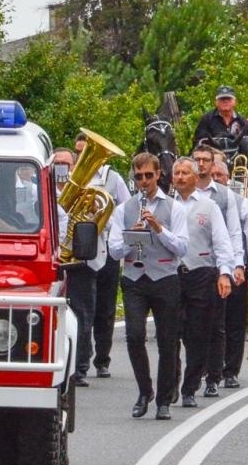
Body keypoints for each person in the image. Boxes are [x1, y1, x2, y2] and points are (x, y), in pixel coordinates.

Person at [108, 152, 189, 420]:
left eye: (149, 176)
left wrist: (158, 229)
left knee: (167, 341)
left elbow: (182, 247)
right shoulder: (124, 209)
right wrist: (133, 235)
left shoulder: (174, 207)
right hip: (134, 279)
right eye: (139, 176)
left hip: (165, 277)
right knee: (134, 335)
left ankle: (164, 399)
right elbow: (114, 251)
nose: (144, 181)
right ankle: (145, 391)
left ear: (158, 175)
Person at [170, 157, 234, 407]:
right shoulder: (165, 206)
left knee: (198, 334)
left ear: (196, 178)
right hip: (172, 274)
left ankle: (190, 386)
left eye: (186, 172)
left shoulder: (209, 206)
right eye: (177, 172)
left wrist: (225, 272)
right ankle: (171, 382)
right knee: (171, 333)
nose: (180, 177)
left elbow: (221, 242)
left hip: (201, 273)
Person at [80, 130, 132, 380]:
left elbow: (127, 208)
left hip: (108, 246)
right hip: (82, 249)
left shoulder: (114, 178)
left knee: (106, 306)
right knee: (82, 305)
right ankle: (82, 355)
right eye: (80, 153)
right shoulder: (73, 179)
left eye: (86, 153)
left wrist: (109, 224)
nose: (83, 157)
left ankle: (102, 358)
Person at [209, 151, 248, 387]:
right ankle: (211, 367)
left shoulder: (240, 196)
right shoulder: (202, 198)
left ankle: (230, 371)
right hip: (210, 267)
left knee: (234, 321)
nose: (217, 178)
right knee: (212, 321)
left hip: (237, 266)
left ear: (228, 176)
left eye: (220, 174)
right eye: (213, 175)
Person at [52, 147, 95, 388]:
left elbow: (105, 221)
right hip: (55, 261)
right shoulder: (42, 190)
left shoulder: (87, 192)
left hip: (79, 259)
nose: (62, 168)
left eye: (67, 164)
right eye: (58, 163)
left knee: (81, 314)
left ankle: (80, 368)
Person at [192, 85, 248, 168]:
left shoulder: (242, 121)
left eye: (229, 99)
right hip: (213, 161)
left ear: (235, 101)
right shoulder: (206, 119)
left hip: (239, 162)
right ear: (216, 102)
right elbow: (199, 143)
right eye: (222, 99)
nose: (226, 101)